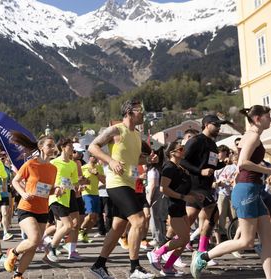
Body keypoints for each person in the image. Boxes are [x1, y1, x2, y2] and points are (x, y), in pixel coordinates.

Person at [191, 105, 271, 279]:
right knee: (246, 241)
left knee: (267, 242)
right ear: (258, 119)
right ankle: (203, 256)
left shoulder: (250, 134)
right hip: (247, 190)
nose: (270, 119)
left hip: (252, 190)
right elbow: (242, 163)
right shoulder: (253, 136)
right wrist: (268, 170)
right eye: (268, 116)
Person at [88, 99, 157, 279]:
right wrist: (110, 160)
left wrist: (149, 160)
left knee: (118, 227)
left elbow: (135, 160)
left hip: (130, 182)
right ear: (128, 112)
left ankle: (99, 265)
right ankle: (134, 268)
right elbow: (92, 147)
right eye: (139, 110)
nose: (143, 113)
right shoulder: (116, 130)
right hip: (116, 182)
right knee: (139, 221)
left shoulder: (136, 135)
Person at [3, 132, 58, 279]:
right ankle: (13, 252)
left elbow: (48, 190)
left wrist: (57, 190)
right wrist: (22, 193)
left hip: (42, 209)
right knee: (34, 239)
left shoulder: (53, 169)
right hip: (26, 208)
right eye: (49, 145)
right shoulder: (30, 164)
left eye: (54, 145)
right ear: (41, 147)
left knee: (33, 245)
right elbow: (15, 181)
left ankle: (18, 275)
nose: (53, 148)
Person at [146, 141, 203, 276]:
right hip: (172, 207)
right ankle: (156, 253)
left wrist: (194, 194)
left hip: (180, 206)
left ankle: (168, 266)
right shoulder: (169, 168)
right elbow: (163, 189)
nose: (184, 151)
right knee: (183, 239)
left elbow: (181, 187)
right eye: (181, 149)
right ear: (172, 152)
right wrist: (183, 197)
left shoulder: (180, 168)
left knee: (184, 240)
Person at [180, 114, 228, 266]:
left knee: (187, 222)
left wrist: (222, 164)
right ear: (207, 124)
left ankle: (164, 251)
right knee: (213, 214)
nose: (219, 127)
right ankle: (201, 253)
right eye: (216, 124)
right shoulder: (196, 140)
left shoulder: (213, 144)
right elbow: (182, 160)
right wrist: (200, 172)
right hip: (195, 186)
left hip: (205, 186)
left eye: (220, 125)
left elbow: (210, 166)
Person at [46, 138, 80, 262]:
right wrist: (55, 187)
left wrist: (80, 183)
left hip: (66, 198)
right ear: (63, 148)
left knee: (60, 226)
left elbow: (74, 183)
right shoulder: (54, 162)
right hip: (55, 198)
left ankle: (48, 254)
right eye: (70, 146)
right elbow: (48, 178)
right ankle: (52, 248)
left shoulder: (73, 164)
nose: (72, 149)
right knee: (69, 225)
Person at [80, 155, 105, 242]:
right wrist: (82, 184)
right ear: (89, 157)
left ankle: (84, 234)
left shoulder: (99, 167)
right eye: (93, 156)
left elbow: (104, 181)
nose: (95, 158)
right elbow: (78, 180)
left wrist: (96, 174)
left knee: (94, 219)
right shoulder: (83, 168)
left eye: (96, 157)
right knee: (90, 214)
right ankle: (80, 230)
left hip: (96, 193)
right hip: (86, 193)